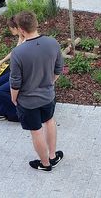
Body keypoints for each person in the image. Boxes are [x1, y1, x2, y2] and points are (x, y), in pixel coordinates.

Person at [10, 11, 64, 171]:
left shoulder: (18, 53)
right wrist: (49, 83)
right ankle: (53, 156)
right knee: (49, 121)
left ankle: (45, 164)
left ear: (21, 29)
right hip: (48, 96)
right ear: (36, 23)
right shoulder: (52, 43)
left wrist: (14, 98)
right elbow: (59, 69)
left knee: (36, 131)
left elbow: (15, 82)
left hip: (28, 101)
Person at [0, 16, 24, 124]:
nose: (10, 30)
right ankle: (1, 112)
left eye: (10, 28)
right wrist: (1, 62)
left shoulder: (26, 40)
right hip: (15, 71)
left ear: (16, 28)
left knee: (1, 91)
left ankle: (18, 113)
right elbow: (14, 52)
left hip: (21, 74)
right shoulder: (21, 37)